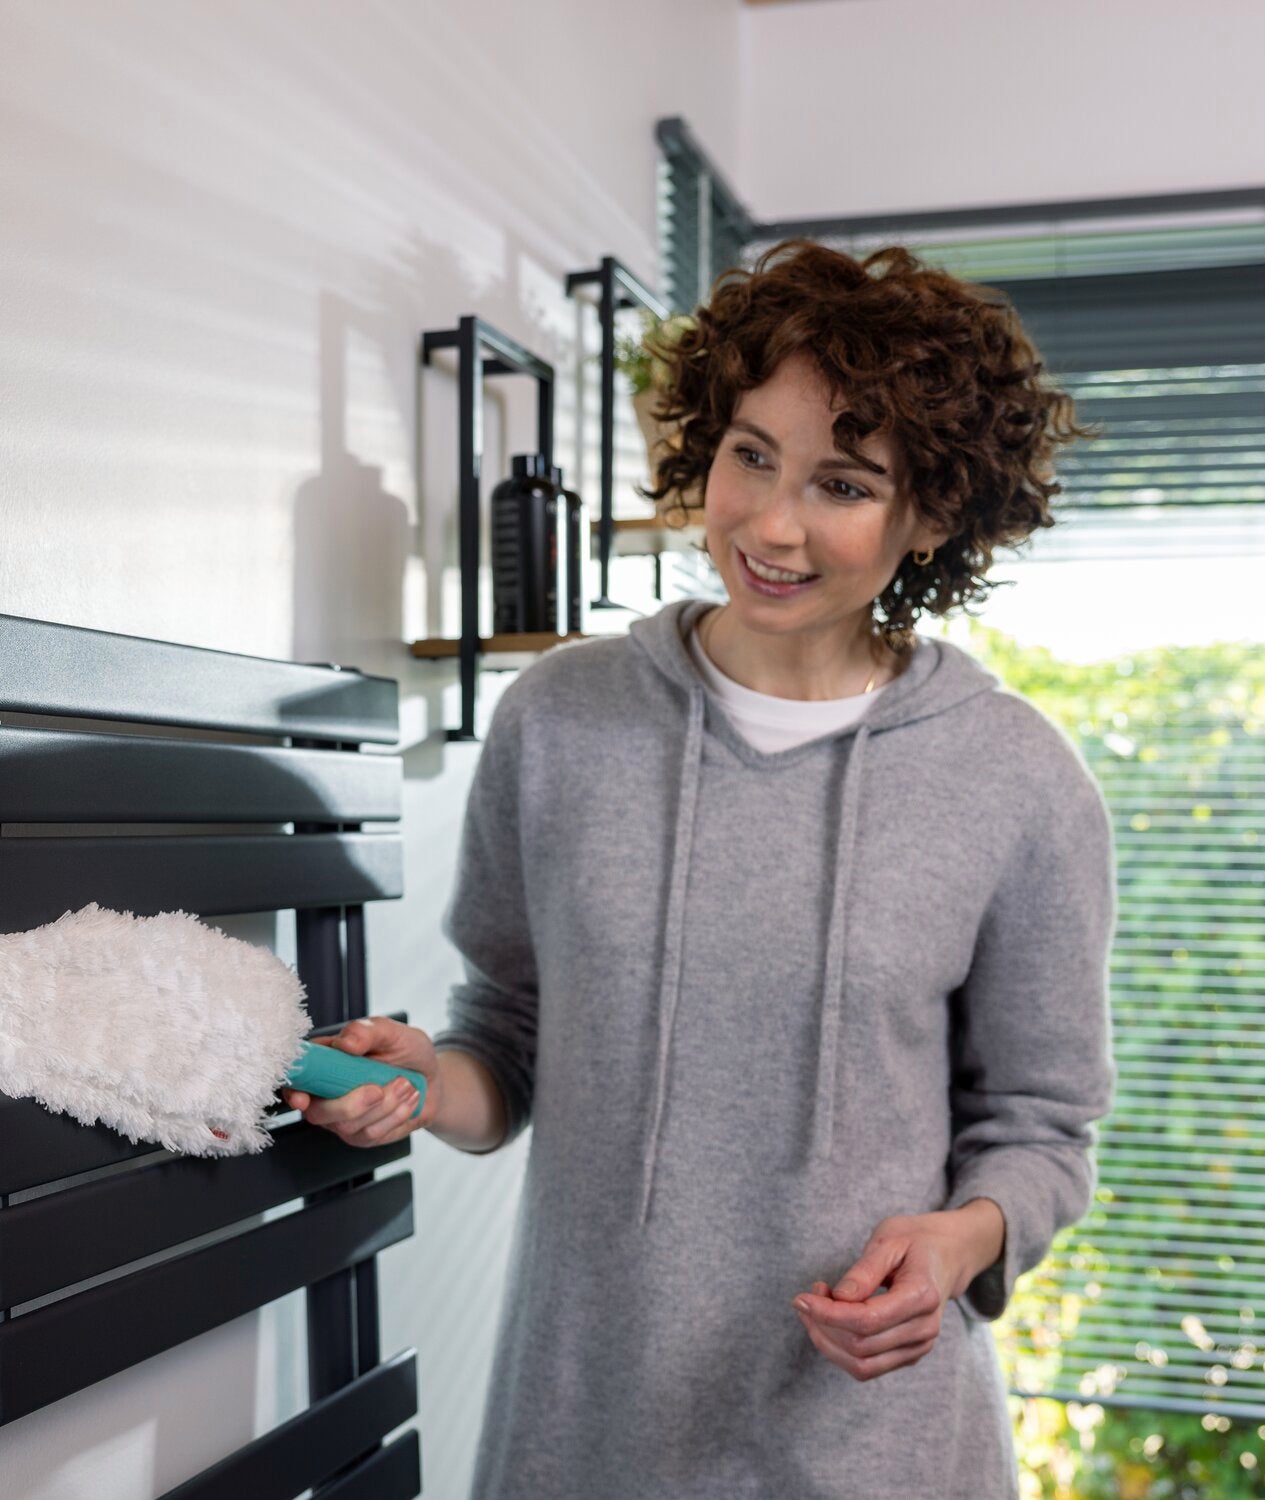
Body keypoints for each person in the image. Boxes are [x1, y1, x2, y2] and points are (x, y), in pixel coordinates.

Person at [283, 239, 1118, 1498]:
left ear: (932, 510)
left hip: (879, 1445)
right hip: (583, 1430)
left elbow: (1042, 1131)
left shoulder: (1015, 779)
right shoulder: (559, 721)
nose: (771, 525)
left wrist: (957, 1245)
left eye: (841, 484)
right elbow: (504, 1047)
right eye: (749, 456)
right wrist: (420, 1084)